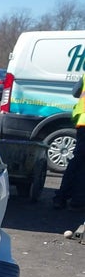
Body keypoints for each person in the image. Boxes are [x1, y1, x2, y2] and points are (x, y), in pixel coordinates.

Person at [52, 76, 85, 210]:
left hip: (83, 121)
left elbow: (75, 91)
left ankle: (62, 198)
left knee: (78, 161)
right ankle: (76, 200)